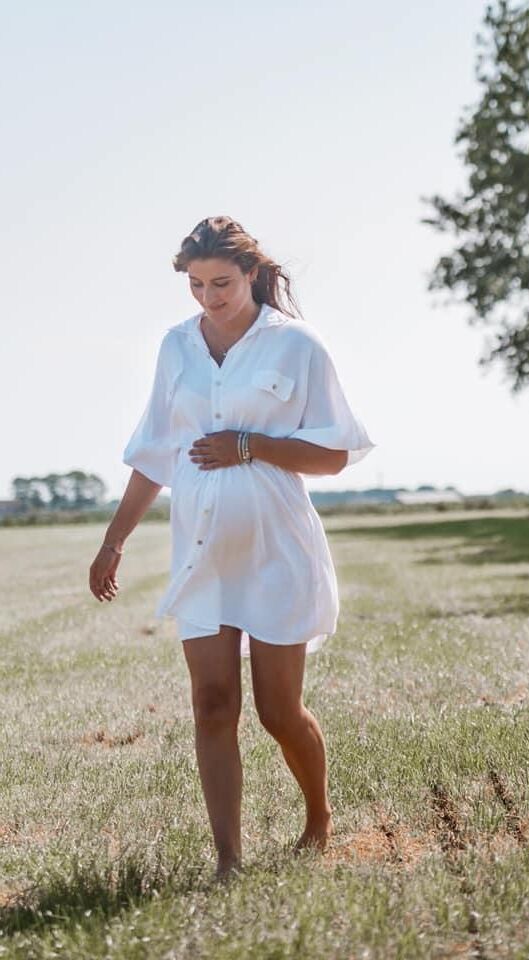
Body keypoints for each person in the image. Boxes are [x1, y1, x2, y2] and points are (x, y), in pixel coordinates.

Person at [88, 215, 374, 881]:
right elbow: (154, 453)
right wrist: (114, 540)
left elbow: (334, 454)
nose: (209, 297)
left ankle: (318, 817)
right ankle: (228, 860)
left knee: (279, 711)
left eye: (221, 283)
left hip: (278, 550)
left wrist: (250, 445)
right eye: (196, 285)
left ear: (252, 274)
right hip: (201, 550)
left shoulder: (297, 346)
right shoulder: (175, 348)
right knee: (212, 703)